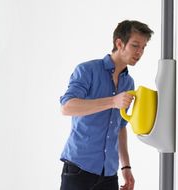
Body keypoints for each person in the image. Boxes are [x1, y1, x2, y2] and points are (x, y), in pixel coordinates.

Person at [59, 20, 154, 190]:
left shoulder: (128, 83)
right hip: (79, 169)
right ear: (119, 43)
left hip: (109, 173)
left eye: (143, 47)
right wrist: (112, 101)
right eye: (135, 45)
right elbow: (67, 107)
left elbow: (120, 126)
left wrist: (126, 167)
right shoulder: (87, 70)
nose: (140, 52)